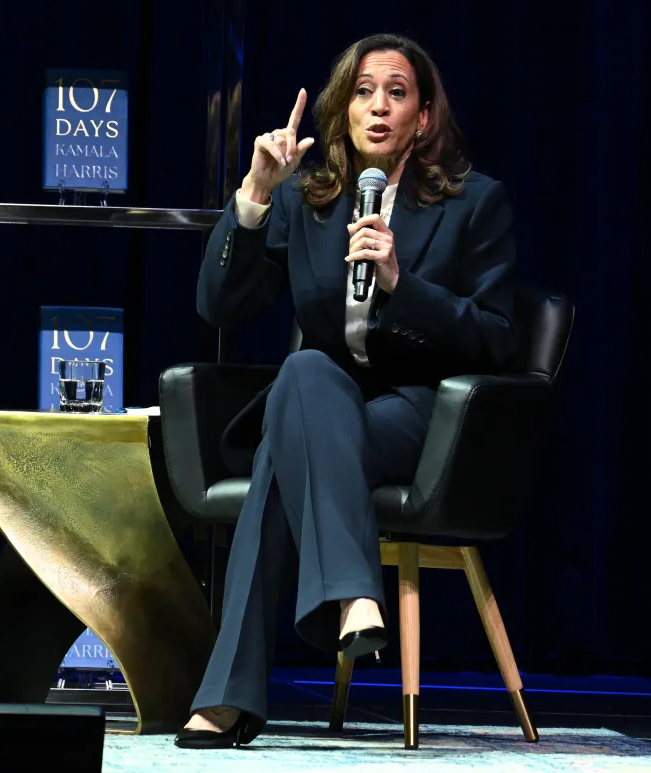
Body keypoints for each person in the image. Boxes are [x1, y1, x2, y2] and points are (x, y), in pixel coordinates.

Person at [175, 32, 519, 749]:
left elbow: (495, 337)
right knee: (302, 375)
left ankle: (228, 695)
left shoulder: (473, 203)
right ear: (343, 109)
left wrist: (405, 286)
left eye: (397, 92)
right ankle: (355, 594)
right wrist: (255, 194)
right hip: (325, 400)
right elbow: (220, 304)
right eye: (363, 92)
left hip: (424, 415)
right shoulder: (309, 200)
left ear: (423, 117)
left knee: (282, 444)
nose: (379, 107)